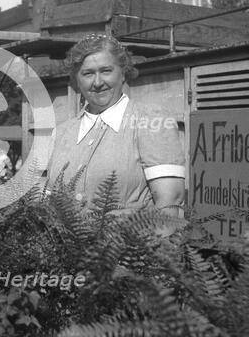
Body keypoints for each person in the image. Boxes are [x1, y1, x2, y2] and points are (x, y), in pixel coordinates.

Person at [47, 34, 185, 215]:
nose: (97, 82)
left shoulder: (152, 123)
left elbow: (169, 209)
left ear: (123, 73)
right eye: (88, 73)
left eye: (106, 71)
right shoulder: (61, 133)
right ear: (76, 80)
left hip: (131, 242)